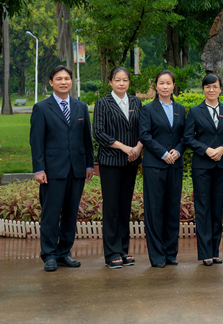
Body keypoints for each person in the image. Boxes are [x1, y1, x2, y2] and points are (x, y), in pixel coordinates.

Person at [30, 65, 94, 272]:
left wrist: (88, 165)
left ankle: (64, 252)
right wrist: (39, 169)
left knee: (70, 214)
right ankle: (49, 254)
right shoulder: (42, 108)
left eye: (67, 78)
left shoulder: (81, 107)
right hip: (52, 171)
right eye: (59, 79)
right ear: (51, 82)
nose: (63, 82)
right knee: (51, 214)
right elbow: (37, 142)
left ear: (72, 82)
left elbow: (87, 139)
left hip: (76, 170)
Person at [92, 66, 142, 269]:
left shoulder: (137, 102)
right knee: (111, 207)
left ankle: (123, 249)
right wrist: (124, 147)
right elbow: (98, 132)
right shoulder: (103, 103)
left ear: (129, 82)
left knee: (124, 207)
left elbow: (143, 129)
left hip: (131, 162)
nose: (122, 83)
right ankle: (111, 253)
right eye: (117, 80)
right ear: (111, 82)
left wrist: (138, 148)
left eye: (125, 80)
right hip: (111, 162)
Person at [184, 74, 223, 266]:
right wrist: (206, 150)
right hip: (202, 166)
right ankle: (205, 252)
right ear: (203, 89)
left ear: (220, 89)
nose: (211, 90)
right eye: (207, 87)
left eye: (215, 86)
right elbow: (188, 138)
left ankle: (215, 251)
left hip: (221, 165)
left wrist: (222, 149)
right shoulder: (195, 111)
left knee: (217, 208)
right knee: (203, 208)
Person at [139, 70, 186, 267]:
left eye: (168, 83)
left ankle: (170, 252)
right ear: (156, 86)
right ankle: (157, 255)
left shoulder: (181, 109)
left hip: (175, 164)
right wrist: (164, 153)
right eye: (161, 83)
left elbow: (186, 136)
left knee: (172, 209)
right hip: (155, 165)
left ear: (173, 86)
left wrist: (177, 151)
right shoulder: (148, 109)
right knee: (155, 209)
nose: (165, 87)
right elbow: (145, 135)